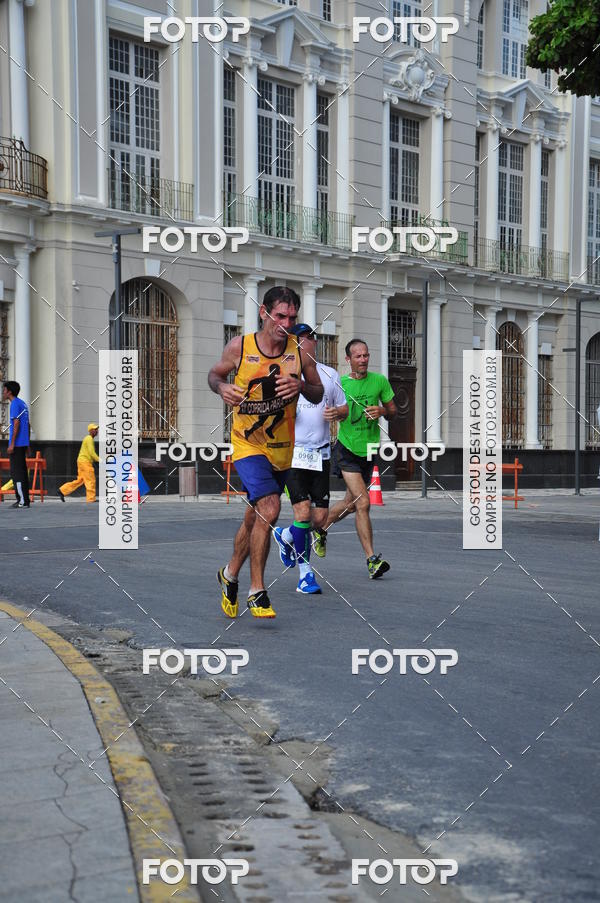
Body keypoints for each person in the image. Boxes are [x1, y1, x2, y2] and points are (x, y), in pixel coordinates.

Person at [208, 287, 323, 619]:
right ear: (264, 312)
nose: (285, 323)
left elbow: (318, 393)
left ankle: (229, 574)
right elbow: (214, 375)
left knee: (255, 515)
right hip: (247, 444)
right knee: (270, 508)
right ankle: (257, 591)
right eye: (279, 316)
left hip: (282, 451)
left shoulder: (299, 352)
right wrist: (222, 387)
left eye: (291, 317)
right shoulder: (240, 347)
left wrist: (301, 386)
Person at [273, 323, 348, 594]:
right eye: (298, 340)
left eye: (308, 339)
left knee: (318, 519)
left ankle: (286, 535)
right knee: (302, 513)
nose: (304, 344)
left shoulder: (329, 374)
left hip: (321, 454)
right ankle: (306, 575)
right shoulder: (281, 372)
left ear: (315, 344)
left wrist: (336, 414)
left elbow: (345, 409)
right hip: (292, 454)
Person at [322, 339, 397, 578]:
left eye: (366, 355)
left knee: (352, 504)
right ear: (349, 360)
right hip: (346, 450)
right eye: (358, 356)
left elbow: (394, 411)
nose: (363, 359)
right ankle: (372, 560)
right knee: (364, 503)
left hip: (369, 450)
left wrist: (382, 411)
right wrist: (333, 413)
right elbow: (332, 410)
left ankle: (319, 528)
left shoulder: (379, 381)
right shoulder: (340, 384)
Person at [2, 381, 30, 509]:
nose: (3, 392)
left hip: (17, 445)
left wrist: (12, 444)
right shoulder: (23, 404)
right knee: (23, 473)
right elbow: (28, 424)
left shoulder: (14, 404)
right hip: (23, 444)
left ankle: (22, 501)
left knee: (17, 473)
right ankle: (25, 500)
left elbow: (17, 424)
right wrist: (28, 444)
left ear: (10, 392)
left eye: (4, 390)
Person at [58, 423, 100, 503]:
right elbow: (92, 453)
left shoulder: (88, 439)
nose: (96, 431)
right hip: (85, 463)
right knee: (90, 480)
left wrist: (94, 461)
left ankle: (62, 490)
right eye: (95, 429)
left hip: (81, 462)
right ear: (90, 431)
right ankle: (91, 499)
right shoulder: (89, 439)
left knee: (80, 480)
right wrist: (100, 460)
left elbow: (89, 453)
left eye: (97, 429)